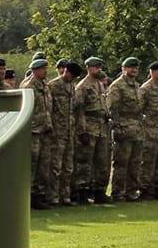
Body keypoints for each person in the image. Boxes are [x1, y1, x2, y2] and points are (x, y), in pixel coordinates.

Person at [106, 57, 143, 201]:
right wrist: (117, 128)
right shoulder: (117, 86)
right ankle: (118, 192)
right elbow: (112, 108)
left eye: (135, 67)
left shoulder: (137, 86)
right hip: (124, 129)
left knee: (135, 163)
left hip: (137, 129)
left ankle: (132, 191)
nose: (133, 70)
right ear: (123, 68)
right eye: (130, 67)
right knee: (121, 163)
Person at [75, 57, 109, 203]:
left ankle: (99, 191)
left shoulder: (100, 85)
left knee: (102, 161)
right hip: (89, 126)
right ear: (88, 68)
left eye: (99, 67)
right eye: (95, 67)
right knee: (85, 161)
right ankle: (82, 191)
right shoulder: (83, 86)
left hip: (101, 126)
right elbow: (79, 110)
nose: (98, 69)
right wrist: (82, 130)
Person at [23, 58, 52, 208]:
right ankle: (29, 196)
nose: (45, 71)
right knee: (32, 164)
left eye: (46, 69)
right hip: (33, 131)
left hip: (45, 130)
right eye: (43, 69)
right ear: (35, 70)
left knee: (44, 165)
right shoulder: (29, 87)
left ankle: (40, 195)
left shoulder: (45, 86)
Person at [47, 60, 77, 206]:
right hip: (57, 131)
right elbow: (48, 109)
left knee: (68, 166)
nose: (71, 77)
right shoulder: (53, 85)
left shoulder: (72, 86)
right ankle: (53, 196)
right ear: (65, 71)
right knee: (56, 166)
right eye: (70, 74)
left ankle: (65, 195)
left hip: (69, 130)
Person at [139, 61, 158, 199]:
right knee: (148, 163)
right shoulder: (145, 88)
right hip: (149, 132)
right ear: (152, 72)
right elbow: (138, 110)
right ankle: (145, 190)